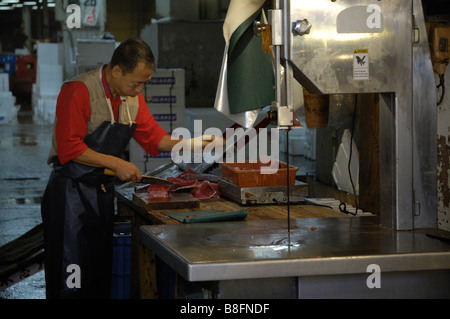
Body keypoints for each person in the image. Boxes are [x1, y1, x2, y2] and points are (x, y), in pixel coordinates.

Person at [40, 38, 212, 299]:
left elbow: (155, 140)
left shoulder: (132, 100)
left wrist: (195, 143)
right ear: (117, 71)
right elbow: (68, 147)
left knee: (98, 273)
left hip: (101, 194)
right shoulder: (79, 90)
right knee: (71, 274)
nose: (139, 90)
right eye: (136, 83)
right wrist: (116, 163)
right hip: (70, 196)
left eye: (144, 83)